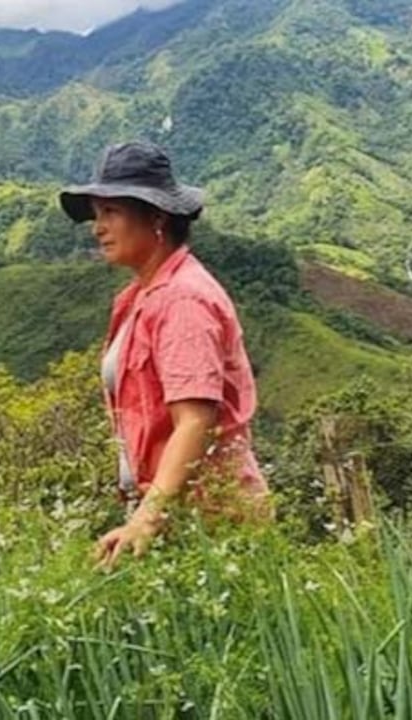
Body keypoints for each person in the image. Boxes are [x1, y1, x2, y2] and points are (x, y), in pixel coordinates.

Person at [59, 141, 269, 570]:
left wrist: (146, 519)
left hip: (211, 526)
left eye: (111, 212)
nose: (98, 227)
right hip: (178, 521)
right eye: (97, 214)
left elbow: (195, 420)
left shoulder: (182, 301)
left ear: (156, 216)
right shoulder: (141, 297)